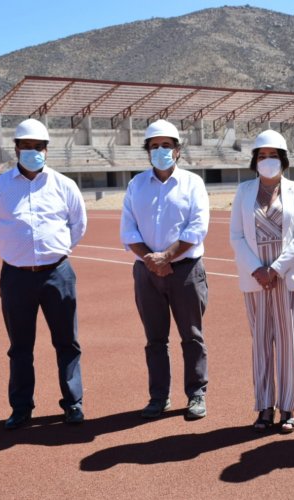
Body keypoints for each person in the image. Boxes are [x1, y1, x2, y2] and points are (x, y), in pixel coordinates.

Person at [0, 118, 87, 429]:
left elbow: (77, 226)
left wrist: (56, 252)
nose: (32, 152)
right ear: (16, 149)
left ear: (46, 150)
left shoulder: (65, 186)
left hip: (58, 274)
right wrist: (15, 253)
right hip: (16, 276)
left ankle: (73, 404)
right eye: (26, 146)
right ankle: (22, 409)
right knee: (20, 347)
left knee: (68, 342)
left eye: (38, 147)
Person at [120, 119, 210, 421]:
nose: (161, 150)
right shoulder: (136, 185)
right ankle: (159, 397)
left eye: (166, 146)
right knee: (155, 339)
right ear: (148, 152)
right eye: (155, 146)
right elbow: (128, 230)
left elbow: (197, 227)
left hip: (185, 271)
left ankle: (196, 394)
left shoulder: (193, 183)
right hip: (147, 273)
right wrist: (151, 260)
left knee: (192, 336)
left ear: (178, 151)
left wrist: (167, 258)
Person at [229, 130, 294, 434]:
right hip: (255, 280)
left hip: (286, 279)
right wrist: (256, 269)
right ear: (254, 160)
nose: (267, 160)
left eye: (272, 155)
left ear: (283, 159)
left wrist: (274, 269)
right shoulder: (243, 191)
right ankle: (264, 406)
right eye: (261, 156)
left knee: (288, 344)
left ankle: (287, 406)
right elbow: (236, 235)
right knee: (260, 343)